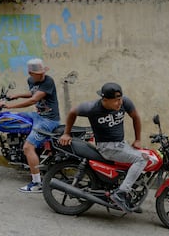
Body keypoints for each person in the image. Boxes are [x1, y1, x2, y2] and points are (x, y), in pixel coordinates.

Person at [59, 82, 148, 213]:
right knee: (142, 159)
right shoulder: (92, 108)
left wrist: (138, 140)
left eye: (120, 99)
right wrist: (66, 133)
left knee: (145, 157)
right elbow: (73, 112)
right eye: (116, 101)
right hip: (107, 147)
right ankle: (121, 194)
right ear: (105, 100)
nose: (119, 103)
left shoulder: (125, 102)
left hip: (121, 144)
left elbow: (135, 117)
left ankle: (128, 197)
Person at [0, 58, 60, 193]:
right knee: (14, 117)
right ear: (31, 73)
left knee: (28, 147)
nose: (42, 74)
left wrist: (9, 105)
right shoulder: (31, 81)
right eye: (39, 73)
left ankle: (37, 183)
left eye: (43, 72)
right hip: (37, 116)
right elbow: (33, 92)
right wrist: (16, 96)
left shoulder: (48, 81)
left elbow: (34, 99)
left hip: (48, 120)